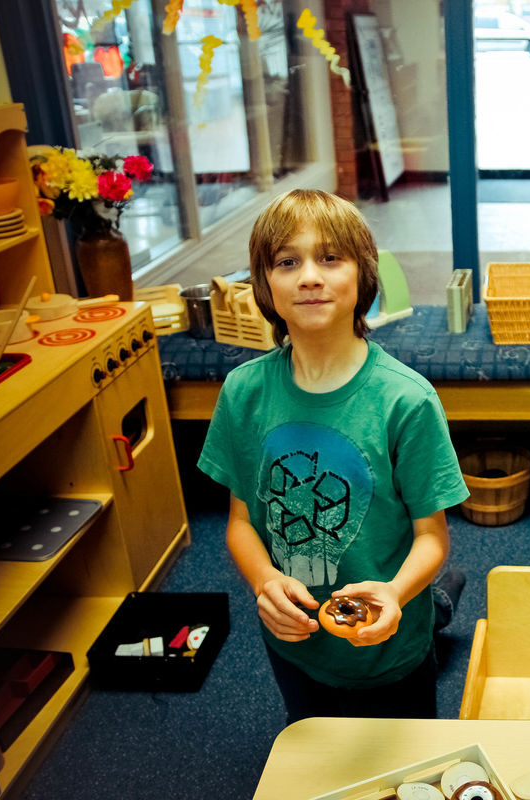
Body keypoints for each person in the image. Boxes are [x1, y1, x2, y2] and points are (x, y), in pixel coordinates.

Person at [198, 189, 469, 724]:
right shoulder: (242, 393)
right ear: (264, 284)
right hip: (295, 645)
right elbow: (240, 523)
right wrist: (265, 582)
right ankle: (437, 602)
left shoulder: (406, 400)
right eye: (286, 261)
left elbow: (432, 536)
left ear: (363, 276)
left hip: (391, 648)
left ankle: (434, 604)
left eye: (329, 258)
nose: (308, 277)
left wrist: (394, 592)